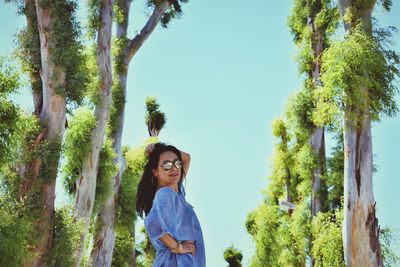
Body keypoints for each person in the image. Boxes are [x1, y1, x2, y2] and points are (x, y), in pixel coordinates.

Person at [136, 142, 206, 267]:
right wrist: (179, 248)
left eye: (177, 163)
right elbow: (152, 223)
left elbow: (186, 158)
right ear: (156, 172)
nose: (174, 168)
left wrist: (159, 147)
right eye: (166, 165)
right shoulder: (166, 193)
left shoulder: (177, 195)